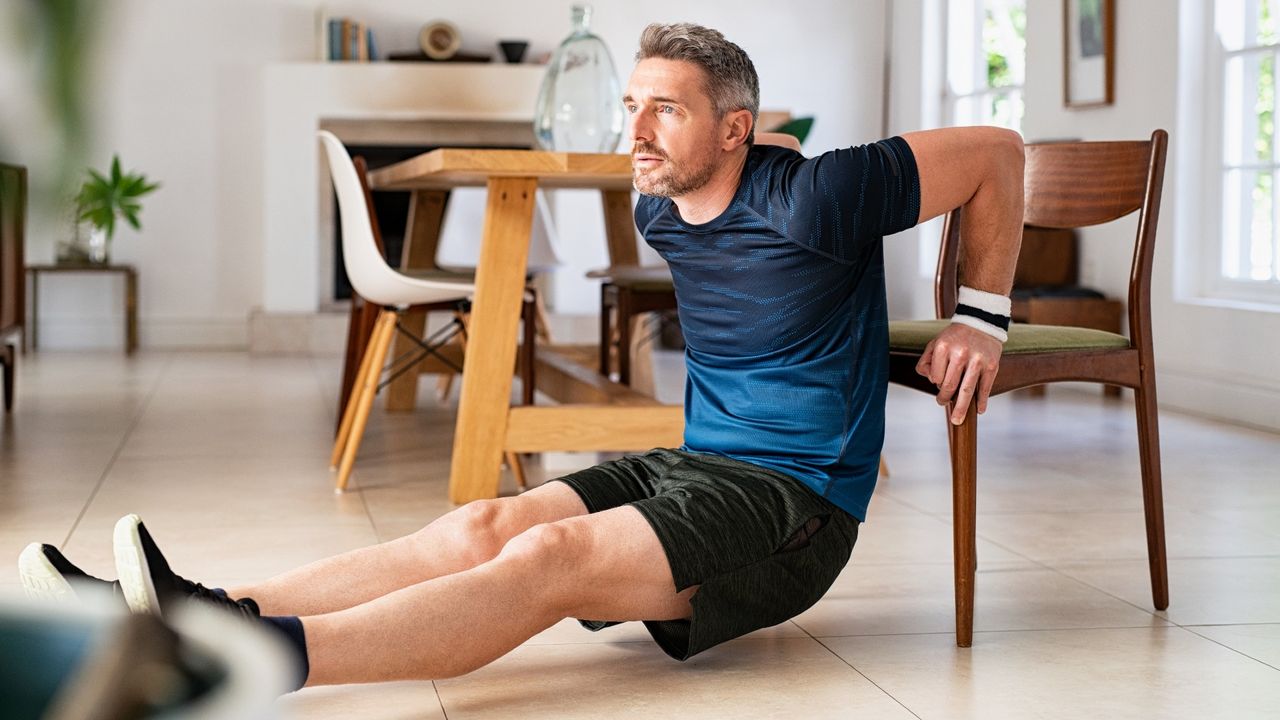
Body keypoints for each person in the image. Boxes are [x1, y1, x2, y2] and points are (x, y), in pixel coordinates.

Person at [18, 22, 1023, 690]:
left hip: (793, 505)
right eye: (630, 105)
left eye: (661, 108)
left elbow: (993, 154)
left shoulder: (819, 193)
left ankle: (252, 659)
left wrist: (980, 315)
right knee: (486, 522)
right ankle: (197, 611)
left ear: (734, 130)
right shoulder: (656, 202)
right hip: (694, 463)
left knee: (545, 558)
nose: (633, 129)